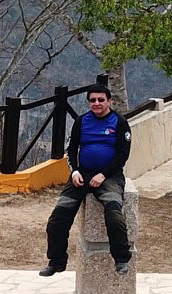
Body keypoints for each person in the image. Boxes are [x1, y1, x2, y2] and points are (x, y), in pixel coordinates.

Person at [40, 84, 133, 277]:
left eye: (101, 99)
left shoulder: (120, 122)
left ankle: (121, 259)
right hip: (82, 174)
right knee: (58, 218)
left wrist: (103, 175)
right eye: (93, 100)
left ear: (109, 101)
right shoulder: (82, 121)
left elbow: (123, 154)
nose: (97, 103)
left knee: (114, 214)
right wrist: (74, 172)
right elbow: (72, 149)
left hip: (110, 176)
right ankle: (56, 261)